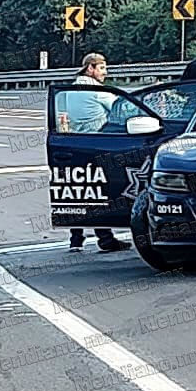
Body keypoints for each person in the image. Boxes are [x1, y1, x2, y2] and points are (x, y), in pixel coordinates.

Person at [67, 53, 132, 253]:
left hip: (75, 144)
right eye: (102, 68)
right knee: (99, 191)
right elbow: (123, 108)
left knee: (78, 192)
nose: (105, 72)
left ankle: (76, 239)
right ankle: (105, 237)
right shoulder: (96, 90)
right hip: (97, 143)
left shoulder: (71, 89)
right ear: (90, 69)